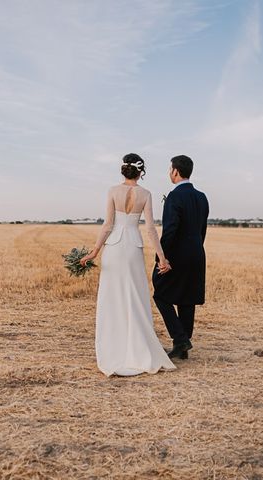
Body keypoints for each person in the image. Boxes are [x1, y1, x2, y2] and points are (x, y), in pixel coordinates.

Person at [81, 154, 176, 376]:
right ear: (141, 172)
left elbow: (107, 225)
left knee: (112, 296)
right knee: (135, 296)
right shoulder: (146, 194)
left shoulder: (113, 191)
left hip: (114, 248)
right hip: (133, 247)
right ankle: (139, 348)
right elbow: (151, 229)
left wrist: (95, 251)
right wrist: (162, 257)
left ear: (123, 170)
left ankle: (115, 348)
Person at [152, 155, 209, 360]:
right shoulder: (202, 197)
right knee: (187, 299)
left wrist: (162, 258)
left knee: (160, 293)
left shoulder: (175, 196)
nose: (169, 173)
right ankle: (182, 348)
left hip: (177, 255)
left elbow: (170, 230)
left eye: (170, 169)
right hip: (197, 253)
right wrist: (195, 248)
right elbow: (202, 229)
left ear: (175, 171)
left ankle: (180, 339)